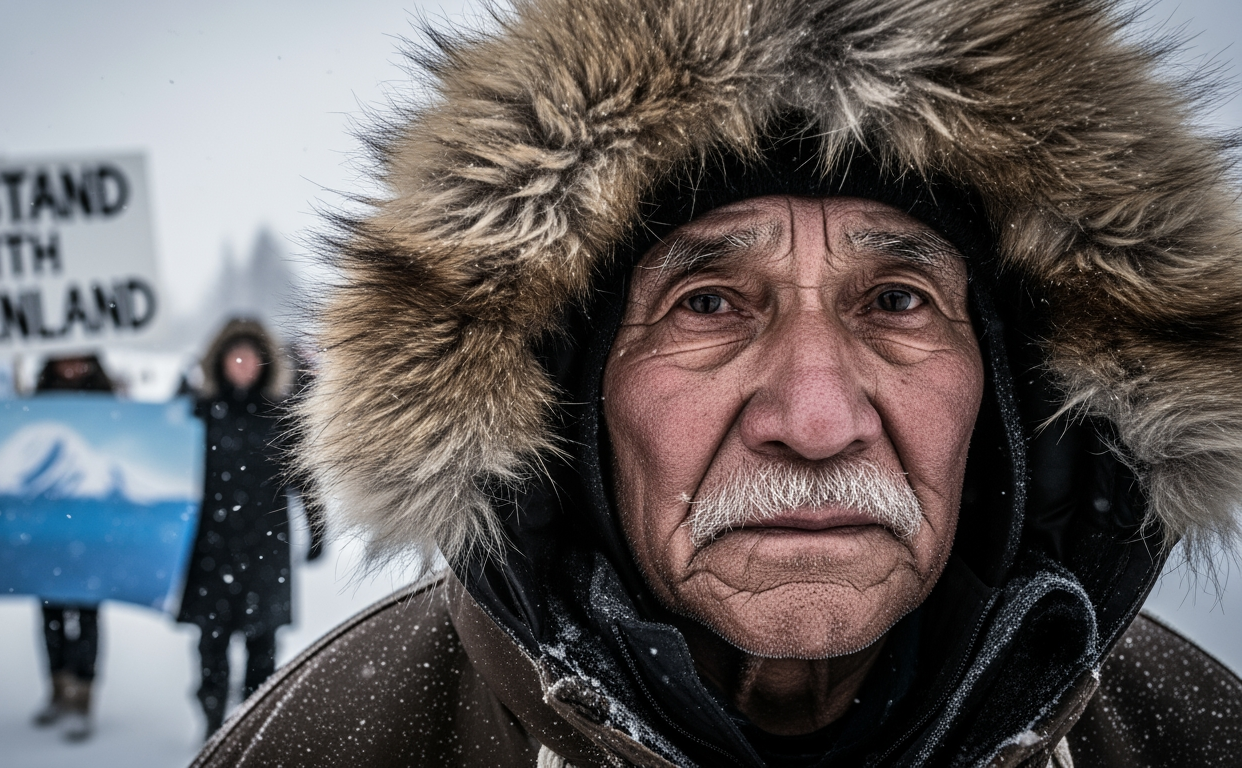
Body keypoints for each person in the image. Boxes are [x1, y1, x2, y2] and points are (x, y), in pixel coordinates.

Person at [196, 1, 1242, 766]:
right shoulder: (323, 744)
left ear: (1018, 392)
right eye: (706, 304)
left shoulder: (1189, 732)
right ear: (563, 391)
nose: (817, 421)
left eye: (897, 302)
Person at [178, 319, 324, 736]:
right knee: (211, 644)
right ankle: (212, 725)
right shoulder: (198, 415)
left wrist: (318, 529)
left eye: (250, 357)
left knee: (263, 648)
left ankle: (253, 732)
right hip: (210, 547)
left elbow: (305, 478)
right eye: (234, 356)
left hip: (266, 547)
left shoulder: (281, 415)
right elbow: (162, 467)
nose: (242, 364)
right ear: (219, 362)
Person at [30, 354, 115, 742]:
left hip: (91, 532)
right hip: (47, 533)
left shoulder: (106, 399)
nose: (71, 364)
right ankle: (57, 685)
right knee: (49, 612)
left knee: (87, 612)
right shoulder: (35, 401)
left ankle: (84, 693)